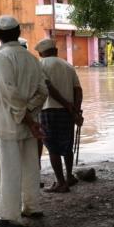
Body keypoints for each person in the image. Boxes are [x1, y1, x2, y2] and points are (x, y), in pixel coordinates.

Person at [0, 15, 48, 227]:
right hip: (26, 121)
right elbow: (43, 91)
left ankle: (10, 217)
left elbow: (9, 93)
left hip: (8, 123)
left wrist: (26, 117)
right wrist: (30, 112)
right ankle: (32, 207)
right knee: (30, 166)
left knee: (8, 170)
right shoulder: (31, 58)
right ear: (19, 31)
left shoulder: (2, 58)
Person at [35, 38, 83, 193]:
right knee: (67, 145)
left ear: (41, 53)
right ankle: (69, 176)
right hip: (67, 113)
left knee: (53, 148)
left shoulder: (39, 65)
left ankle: (61, 183)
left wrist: (67, 104)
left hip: (48, 110)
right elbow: (78, 90)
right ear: (55, 51)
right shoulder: (68, 65)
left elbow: (48, 88)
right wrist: (75, 109)